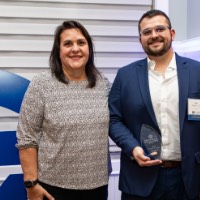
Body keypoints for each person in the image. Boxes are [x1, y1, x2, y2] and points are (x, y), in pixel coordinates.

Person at [109, 9, 200, 200]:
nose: (154, 36)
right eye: (147, 32)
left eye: (160, 29)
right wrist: (132, 147)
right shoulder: (125, 76)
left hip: (189, 178)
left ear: (171, 33)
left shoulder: (196, 71)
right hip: (140, 178)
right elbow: (113, 119)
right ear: (140, 39)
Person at [16, 20, 111, 200]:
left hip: (98, 187)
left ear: (88, 49)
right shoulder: (41, 85)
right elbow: (26, 137)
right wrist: (31, 184)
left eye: (81, 43)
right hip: (53, 189)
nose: (75, 49)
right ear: (58, 51)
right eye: (68, 44)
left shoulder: (102, 84)